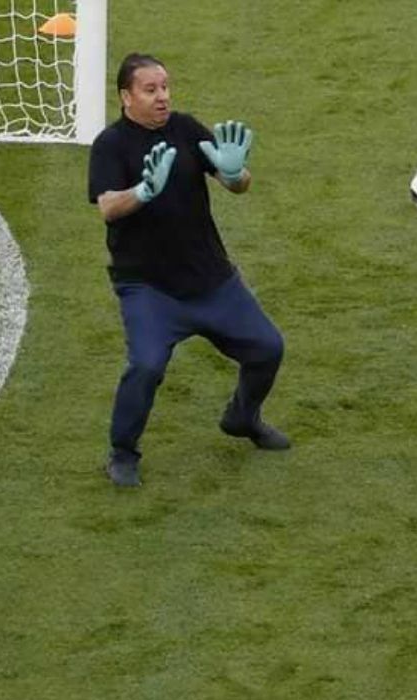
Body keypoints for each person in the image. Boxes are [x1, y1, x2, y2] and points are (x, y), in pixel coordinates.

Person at [87, 53, 290, 488]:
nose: (162, 97)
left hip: (211, 279)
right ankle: (122, 453)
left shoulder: (186, 128)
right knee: (145, 367)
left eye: (165, 87)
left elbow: (236, 183)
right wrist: (143, 190)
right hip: (149, 289)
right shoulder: (111, 144)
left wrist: (236, 173)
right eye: (150, 89)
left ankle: (243, 417)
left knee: (268, 348)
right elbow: (108, 206)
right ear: (126, 96)